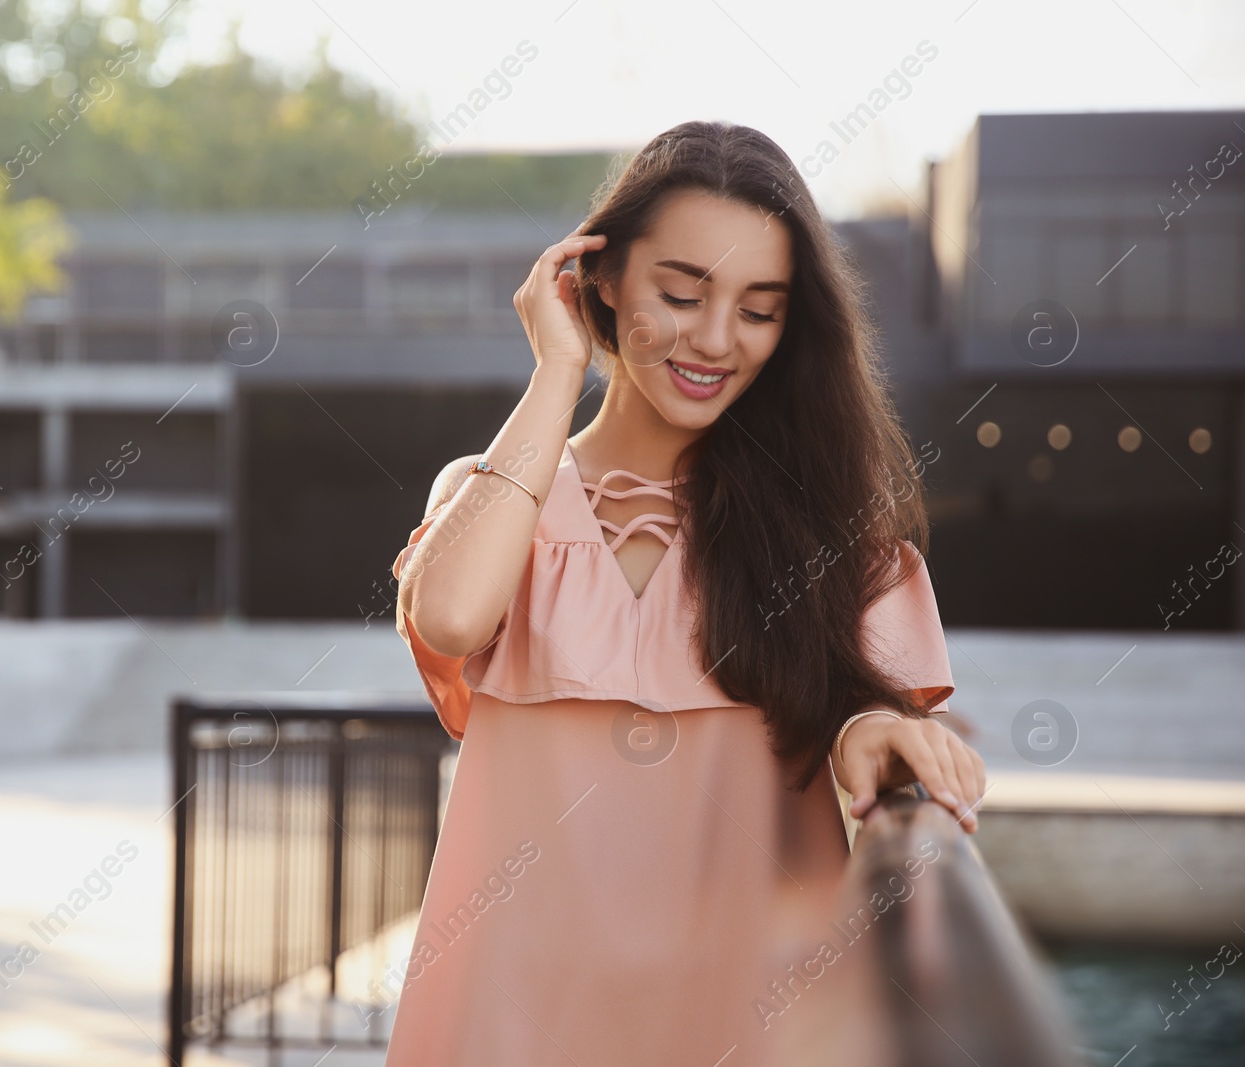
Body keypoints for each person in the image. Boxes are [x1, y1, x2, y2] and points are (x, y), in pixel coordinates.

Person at [382, 120, 986, 1066]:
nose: (715, 339)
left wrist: (872, 729)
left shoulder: (830, 528)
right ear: (603, 278)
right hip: (516, 1001)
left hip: (748, 1003)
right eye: (682, 291)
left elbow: (861, 712)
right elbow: (451, 616)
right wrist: (556, 369)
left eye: (760, 308)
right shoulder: (490, 493)